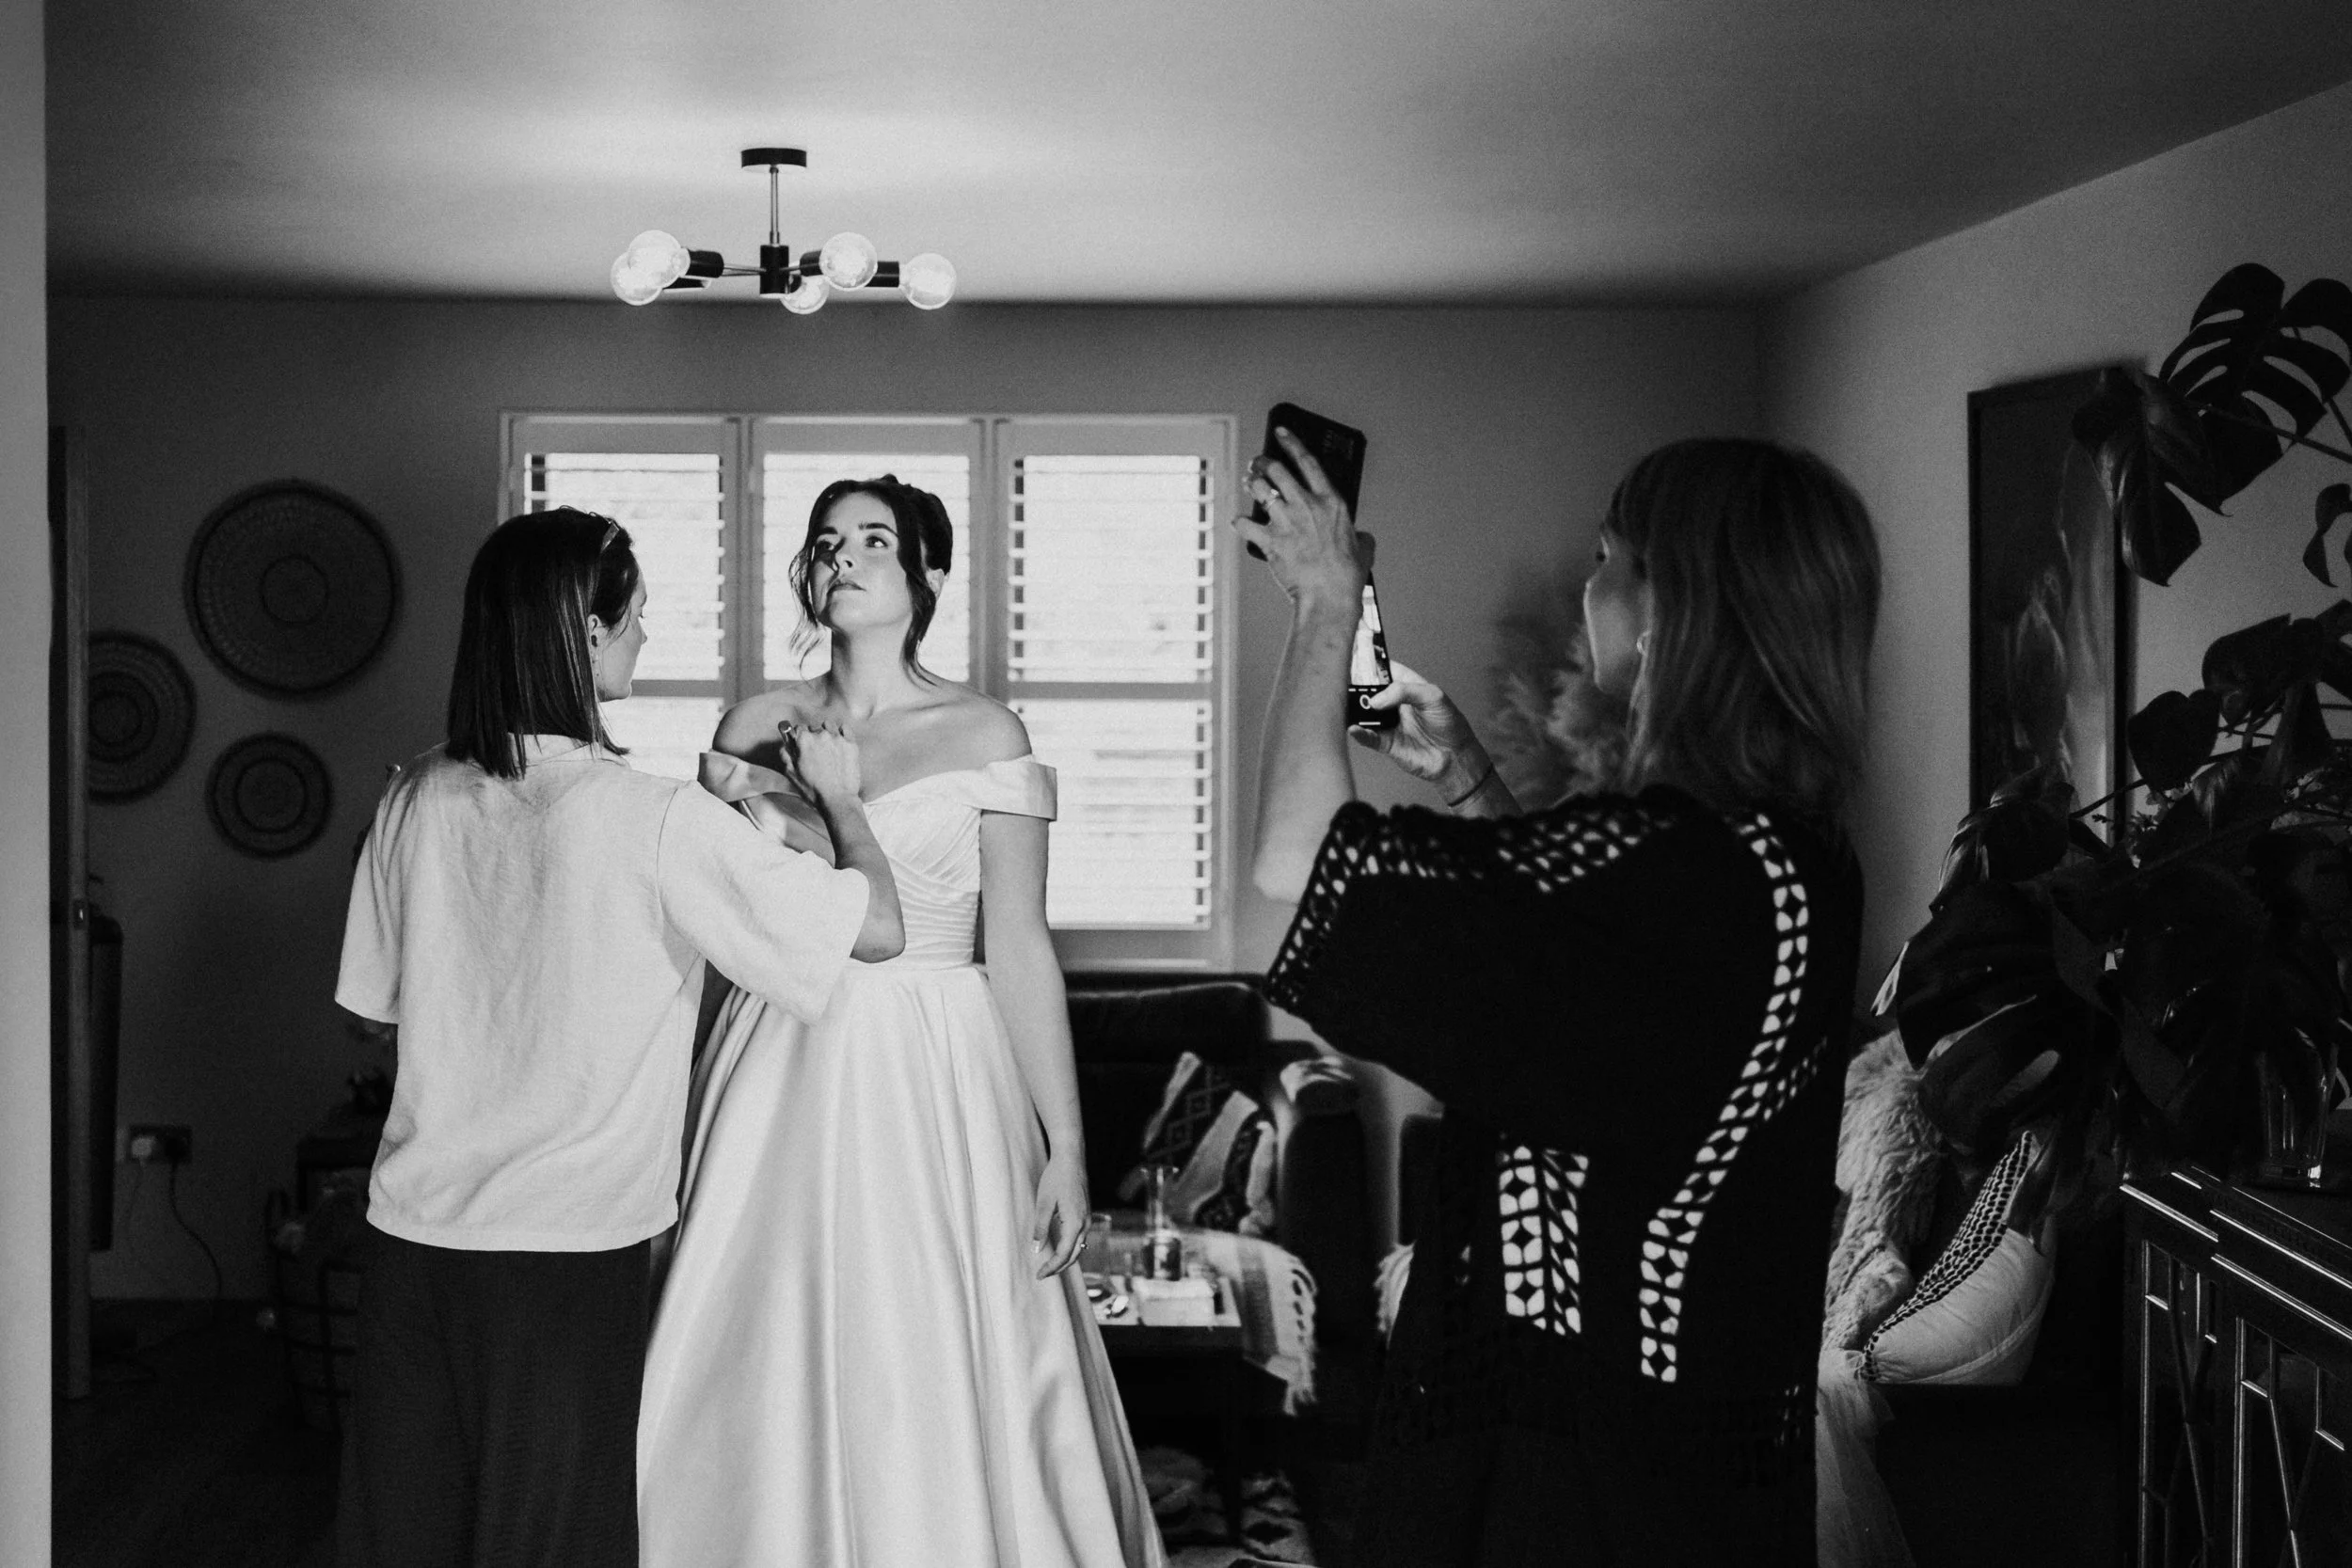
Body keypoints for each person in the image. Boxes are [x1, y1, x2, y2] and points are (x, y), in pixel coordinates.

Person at [1240, 433, 1881, 1566]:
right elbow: (1582, 996)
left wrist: (1324, 601)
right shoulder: (1789, 857)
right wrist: (1469, 777)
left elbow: (1298, 862)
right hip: (1692, 1470)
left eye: (1605, 557)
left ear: (1669, 606)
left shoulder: (1678, 865)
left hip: (1574, 1471)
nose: (1590, 588)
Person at [333, 508, 906, 1568]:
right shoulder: (656, 817)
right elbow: (875, 928)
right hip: (563, 1256)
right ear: (585, 635)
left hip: (414, 1240)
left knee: (406, 1541)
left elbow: (374, 1007)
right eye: (635, 613)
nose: (645, 631)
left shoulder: (413, 795)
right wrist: (839, 800)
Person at [636, 476, 1164, 1568]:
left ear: (926, 573)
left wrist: (1067, 1147)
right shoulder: (753, 725)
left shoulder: (982, 730)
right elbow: (719, 932)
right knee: (761, 1327)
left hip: (936, 1058)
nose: (844, 556)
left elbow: (1018, 943)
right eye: (827, 539)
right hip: (780, 1054)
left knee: (934, 1329)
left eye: (874, 539)